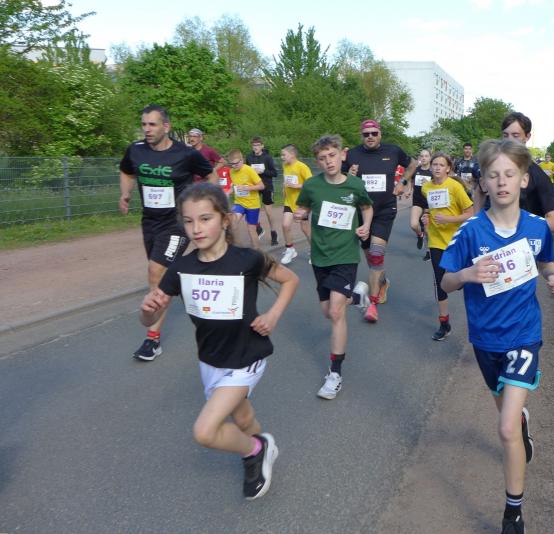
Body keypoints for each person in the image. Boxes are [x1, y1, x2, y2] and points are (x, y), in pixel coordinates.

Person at [140, 182, 298, 500]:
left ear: (225, 220)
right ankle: (259, 446)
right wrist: (147, 311)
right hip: (210, 359)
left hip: (247, 355)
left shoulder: (247, 259)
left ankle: (255, 450)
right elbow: (149, 319)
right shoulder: (181, 268)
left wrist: (273, 315)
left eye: (205, 219)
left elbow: (290, 279)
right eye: (188, 221)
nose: (196, 229)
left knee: (205, 431)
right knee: (242, 417)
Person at [440, 139, 554, 534]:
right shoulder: (470, 231)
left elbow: (546, 261)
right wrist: (467, 275)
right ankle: (520, 422)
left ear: (523, 179)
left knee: (505, 429)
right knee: (508, 417)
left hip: (524, 335)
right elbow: (445, 282)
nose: (501, 182)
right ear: (483, 182)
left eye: (509, 174)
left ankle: (513, 514)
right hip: (486, 341)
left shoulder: (537, 227)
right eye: (493, 175)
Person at [119, 104, 214, 361]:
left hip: (177, 222)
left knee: (155, 270)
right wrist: (125, 194)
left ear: (166, 126)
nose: (147, 129)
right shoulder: (136, 150)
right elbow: (126, 171)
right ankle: (180, 280)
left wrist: (209, 205)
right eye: (144, 124)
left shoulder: (185, 153)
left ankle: (152, 339)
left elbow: (210, 174)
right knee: (159, 273)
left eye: (152, 124)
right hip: (150, 221)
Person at [295, 134, 372, 400]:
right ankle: (357, 296)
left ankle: (335, 373)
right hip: (320, 256)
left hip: (346, 254)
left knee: (337, 312)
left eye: (332, 155)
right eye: (322, 158)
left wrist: (366, 226)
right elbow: (303, 209)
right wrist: (301, 215)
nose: (328, 161)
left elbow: (366, 207)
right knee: (328, 311)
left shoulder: (355, 184)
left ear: (342, 155)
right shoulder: (312, 186)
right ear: (317, 162)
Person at [342, 119, 417, 323]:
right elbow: (339, 178)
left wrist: (403, 182)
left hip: (385, 209)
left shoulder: (393, 151)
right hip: (361, 211)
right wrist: (348, 175)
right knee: (371, 257)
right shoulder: (352, 154)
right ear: (361, 136)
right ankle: (383, 281)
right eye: (366, 134)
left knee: (376, 253)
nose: (370, 137)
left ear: (380, 134)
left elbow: (413, 164)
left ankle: (372, 304)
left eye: (374, 133)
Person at [474, 112, 554, 234]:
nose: (509, 140)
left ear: (527, 137)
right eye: (505, 135)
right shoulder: (492, 167)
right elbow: (479, 191)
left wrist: (512, 229)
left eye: (515, 135)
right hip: (487, 239)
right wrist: (477, 224)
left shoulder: (538, 176)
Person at [420, 152, 473, 340]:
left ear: (448, 168)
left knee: (461, 280)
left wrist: (449, 219)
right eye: (434, 164)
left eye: (441, 165)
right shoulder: (426, 188)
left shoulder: (455, 187)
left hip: (456, 241)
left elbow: (470, 213)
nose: (437, 167)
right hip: (436, 240)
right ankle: (444, 323)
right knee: (440, 282)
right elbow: (430, 209)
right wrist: (426, 217)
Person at [278, 144, 313, 265]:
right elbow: (286, 180)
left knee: (305, 228)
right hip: (289, 201)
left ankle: (315, 251)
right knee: (285, 225)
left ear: (292, 154)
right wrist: (284, 189)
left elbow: (310, 184)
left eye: (284, 155)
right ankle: (290, 249)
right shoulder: (285, 165)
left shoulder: (302, 167)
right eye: (281, 155)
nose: (282, 157)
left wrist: (296, 185)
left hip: (301, 203)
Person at [227, 148, 265, 249]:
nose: (234, 166)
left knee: (251, 229)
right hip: (239, 203)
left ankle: (257, 252)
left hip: (252, 204)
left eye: (236, 163)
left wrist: (247, 188)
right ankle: (238, 248)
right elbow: (234, 186)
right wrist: (228, 192)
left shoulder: (249, 170)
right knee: (232, 222)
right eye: (231, 164)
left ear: (242, 160)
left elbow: (262, 186)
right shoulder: (231, 171)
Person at [246, 137, 280, 245]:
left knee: (268, 212)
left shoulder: (267, 157)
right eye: (253, 145)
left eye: (257, 145)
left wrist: (263, 171)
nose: (255, 147)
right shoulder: (249, 157)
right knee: (252, 210)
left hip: (266, 186)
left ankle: (274, 233)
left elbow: (274, 173)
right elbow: (246, 171)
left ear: (262, 146)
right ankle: (258, 228)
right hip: (254, 187)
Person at [408, 148, 432, 260]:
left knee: (427, 230)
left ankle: (428, 251)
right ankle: (419, 235)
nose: (423, 158)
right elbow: (410, 181)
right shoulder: (416, 170)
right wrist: (409, 190)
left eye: (426, 156)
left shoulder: (433, 172)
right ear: (419, 158)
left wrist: (429, 185)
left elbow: (439, 186)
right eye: (422, 156)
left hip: (429, 203)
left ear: (430, 158)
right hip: (417, 201)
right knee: (413, 224)